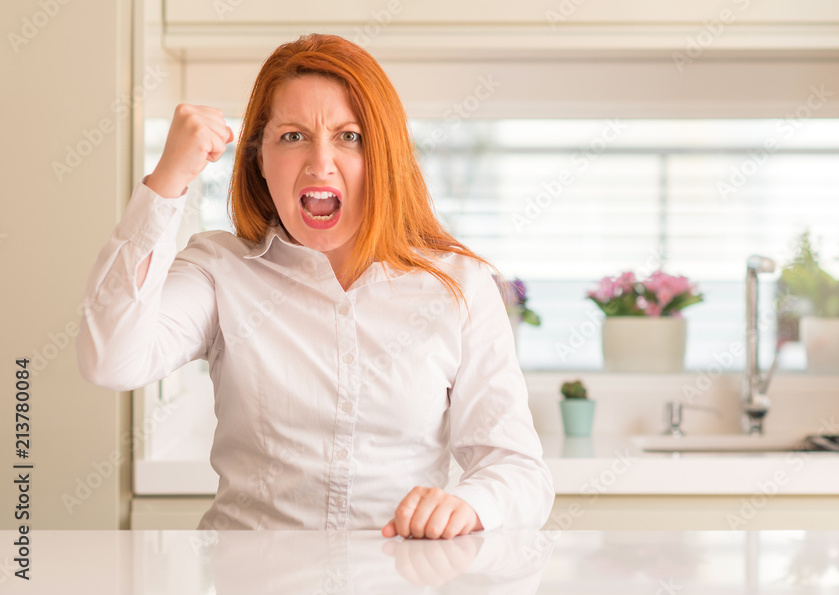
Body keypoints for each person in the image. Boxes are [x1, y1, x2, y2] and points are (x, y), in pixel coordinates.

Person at [76, 33, 554, 539]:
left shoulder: (460, 286)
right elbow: (109, 359)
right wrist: (167, 181)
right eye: (292, 136)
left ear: (384, 155)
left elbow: (520, 473)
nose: (320, 163)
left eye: (349, 137)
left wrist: (468, 504)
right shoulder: (220, 270)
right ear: (259, 159)